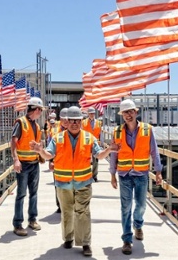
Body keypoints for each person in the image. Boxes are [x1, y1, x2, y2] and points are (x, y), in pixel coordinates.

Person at [30, 106, 119, 257]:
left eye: (77, 120)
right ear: (65, 122)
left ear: (81, 121)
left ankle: (85, 243)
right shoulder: (58, 138)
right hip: (63, 183)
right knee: (67, 212)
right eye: (71, 120)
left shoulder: (89, 138)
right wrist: (40, 151)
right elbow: (48, 155)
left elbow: (99, 155)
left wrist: (109, 150)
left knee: (83, 213)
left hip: (83, 182)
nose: (74, 123)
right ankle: (68, 238)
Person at [109, 99, 163, 255]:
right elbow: (114, 154)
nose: (128, 115)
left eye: (130, 111)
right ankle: (127, 239)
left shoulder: (147, 130)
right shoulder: (117, 131)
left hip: (141, 174)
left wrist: (158, 172)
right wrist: (112, 174)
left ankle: (138, 224)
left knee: (140, 205)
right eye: (125, 112)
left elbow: (154, 151)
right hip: (124, 174)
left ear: (136, 112)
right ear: (122, 115)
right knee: (125, 207)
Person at [10, 97, 46, 236]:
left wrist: (40, 153)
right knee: (21, 194)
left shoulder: (36, 126)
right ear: (36, 109)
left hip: (34, 163)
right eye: (41, 110)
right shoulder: (21, 123)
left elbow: (36, 144)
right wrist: (15, 160)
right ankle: (17, 224)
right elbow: (13, 142)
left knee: (34, 193)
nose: (41, 113)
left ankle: (32, 219)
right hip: (23, 164)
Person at [48, 107, 69, 213]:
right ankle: (60, 205)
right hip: (58, 163)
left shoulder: (74, 130)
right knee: (58, 185)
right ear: (60, 119)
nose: (65, 121)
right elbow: (50, 148)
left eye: (67, 119)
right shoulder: (54, 131)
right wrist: (50, 162)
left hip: (71, 163)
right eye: (63, 119)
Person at [81, 107, 102, 182]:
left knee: (96, 160)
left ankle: (94, 175)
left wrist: (101, 143)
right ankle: (86, 175)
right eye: (90, 113)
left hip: (96, 143)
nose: (92, 114)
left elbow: (100, 134)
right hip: (86, 143)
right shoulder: (83, 122)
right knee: (86, 159)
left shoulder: (99, 123)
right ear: (88, 114)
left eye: (93, 113)